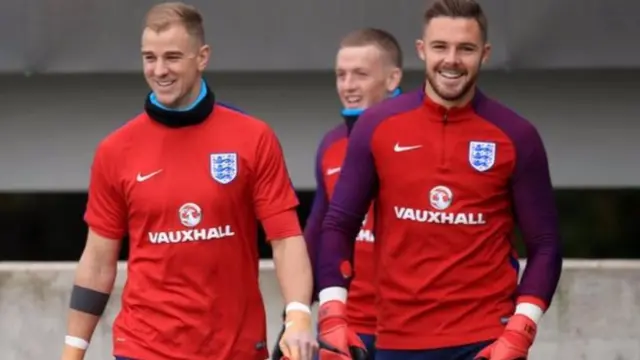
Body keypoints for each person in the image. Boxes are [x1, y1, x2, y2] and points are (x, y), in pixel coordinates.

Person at [60, 3, 316, 360]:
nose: (159, 70)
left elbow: (286, 239)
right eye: (149, 57)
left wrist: (299, 316)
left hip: (235, 348)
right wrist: (73, 351)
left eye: (173, 57)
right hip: (144, 347)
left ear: (202, 57)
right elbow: (99, 259)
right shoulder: (115, 150)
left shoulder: (253, 138)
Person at [314, 0, 563, 359]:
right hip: (398, 340)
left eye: (466, 48)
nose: (452, 60)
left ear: (485, 54)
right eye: (440, 47)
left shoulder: (516, 135)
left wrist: (521, 331)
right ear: (421, 50)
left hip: (487, 341)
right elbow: (338, 224)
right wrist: (333, 314)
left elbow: (546, 244)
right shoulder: (376, 127)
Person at [271, 28, 404, 360]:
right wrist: (295, 314)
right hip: (346, 325)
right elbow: (319, 233)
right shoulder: (332, 145)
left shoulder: (422, 138)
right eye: (341, 75)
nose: (348, 86)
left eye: (360, 74)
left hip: (411, 328)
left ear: (392, 79)